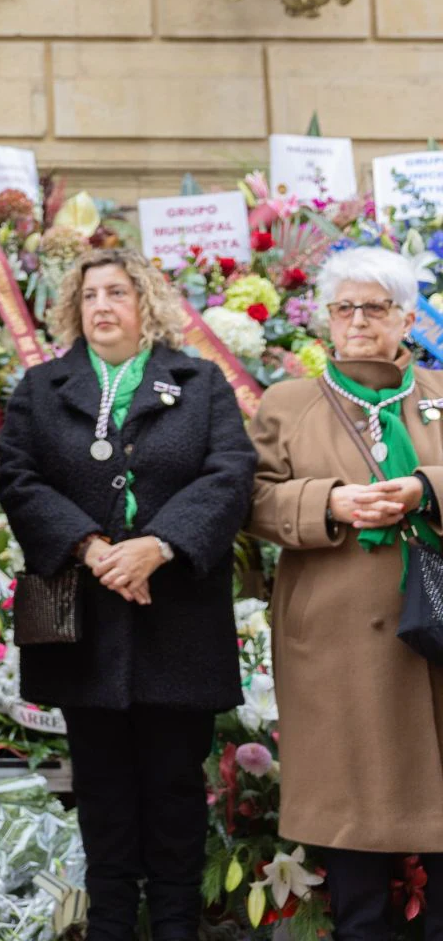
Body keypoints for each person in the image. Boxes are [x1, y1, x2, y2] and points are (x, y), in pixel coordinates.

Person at [0, 248, 256, 941]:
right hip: (85, 621)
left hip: (179, 623)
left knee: (175, 791)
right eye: (90, 297)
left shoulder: (199, 384)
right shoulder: (42, 386)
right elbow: (18, 478)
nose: (103, 306)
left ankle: (176, 925)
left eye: (118, 292)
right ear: (74, 311)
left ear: (146, 303)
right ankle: (111, 924)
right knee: (103, 793)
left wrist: (159, 545)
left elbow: (230, 473)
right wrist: (90, 546)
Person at [249, 246, 443, 941]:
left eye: (376, 307)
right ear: (327, 320)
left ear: (407, 318)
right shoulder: (288, 403)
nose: (358, 320)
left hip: (432, 641)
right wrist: (330, 503)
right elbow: (253, 503)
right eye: (345, 307)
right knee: (352, 825)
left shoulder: (436, 391)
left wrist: (426, 487)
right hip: (332, 646)